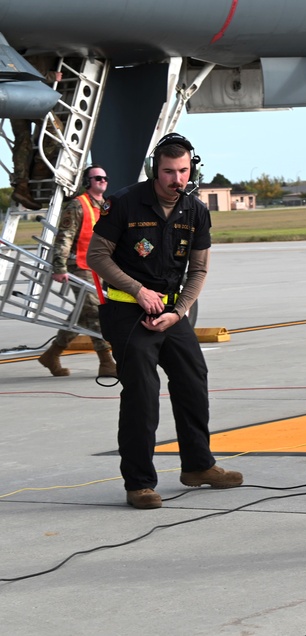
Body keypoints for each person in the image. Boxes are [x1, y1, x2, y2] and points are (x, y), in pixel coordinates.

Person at [87, 133, 242, 510]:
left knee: (193, 379)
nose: (177, 179)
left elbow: (199, 268)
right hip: (127, 311)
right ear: (154, 170)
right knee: (141, 393)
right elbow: (97, 255)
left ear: (193, 169)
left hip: (172, 313)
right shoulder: (123, 203)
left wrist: (179, 310)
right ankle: (139, 483)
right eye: (169, 171)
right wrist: (139, 290)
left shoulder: (196, 211)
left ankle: (198, 466)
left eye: (183, 171)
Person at [38, 165, 117, 377]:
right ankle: (106, 362)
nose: (102, 180)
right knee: (95, 311)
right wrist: (59, 267)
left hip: (99, 268)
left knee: (82, 314)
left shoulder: (106, 206)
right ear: (87, 182)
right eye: (97, 178)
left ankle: (52, 354)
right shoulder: (77, 205)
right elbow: (64, 237)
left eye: (105, 177)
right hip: (78, 266)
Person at [10, 55, 63, 211]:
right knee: (56, 130)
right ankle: (39, 170)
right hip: (30, 97)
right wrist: (52, 76)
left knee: (22, 140)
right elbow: (30, 73)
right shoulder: (38, 45)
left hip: (13, 96)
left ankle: (22, 185)